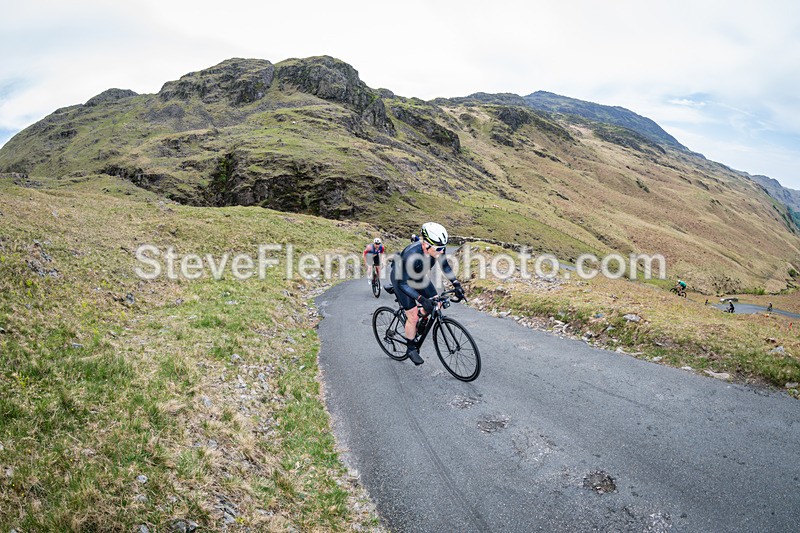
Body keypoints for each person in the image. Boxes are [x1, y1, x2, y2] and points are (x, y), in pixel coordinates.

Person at [391, 222, 464, 365]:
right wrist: (421, 299)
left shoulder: (436, 250)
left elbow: (444, 266)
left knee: (437, 303)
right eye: (439, 248)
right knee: (412, 316)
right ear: (425, 244)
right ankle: (410, 348)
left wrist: (456, 284)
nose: (442, 252)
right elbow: (403, 284)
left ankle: (421, 319)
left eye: (444, 248)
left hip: (418, 278)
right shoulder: (411, 254)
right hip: (402, 281)